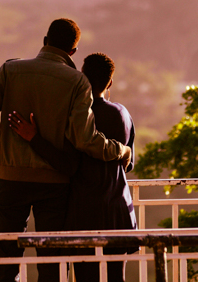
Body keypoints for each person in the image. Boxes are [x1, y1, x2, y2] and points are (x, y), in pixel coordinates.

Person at [0, 18, 132, 282]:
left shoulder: (10, 71)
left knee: (5, 263)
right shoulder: (77, 82)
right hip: (55, 186)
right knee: (52, 264)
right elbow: (86, 140)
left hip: (11, 180)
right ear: (73, 52)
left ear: (45, 41)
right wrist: (120, 151)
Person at [8, 52, 136, 282]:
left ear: (81, 78)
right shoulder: (123, 114)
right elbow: (129, 163)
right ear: (110, 83)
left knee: (86, 276)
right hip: (118, 211)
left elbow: (68, 165)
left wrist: (34, 138)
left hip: (84, 213)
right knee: (116, 276)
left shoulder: (75, 116)